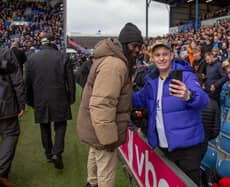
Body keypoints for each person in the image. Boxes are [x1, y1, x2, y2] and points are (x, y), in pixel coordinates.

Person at [132, 40, 209, 185]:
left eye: (165, 54)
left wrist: (188, 95)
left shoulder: (186, 76)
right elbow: (137, 99)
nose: (161, 58)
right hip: (164, 146)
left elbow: (203, 100)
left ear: (172, 55)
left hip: (188, 149)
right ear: (152, 58)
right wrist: (121, 90)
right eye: (157, 55)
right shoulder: (152, 81)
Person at [76, 22, 143, 187]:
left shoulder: (113, 60)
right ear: (125, 43)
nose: (137, 50)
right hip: (101, 130)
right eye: (135, 45)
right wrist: (108, 139)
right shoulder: (115, 65)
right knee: (106, 172)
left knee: (94, 157)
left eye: (140, 46)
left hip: (95, 127)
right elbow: (102, 104)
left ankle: (91, 183)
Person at [25, 33, 75, 169]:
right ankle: (56, 153)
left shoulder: (32, 58)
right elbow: (71, 81)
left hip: (40, 97)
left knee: (44, 125)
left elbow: (27, 83)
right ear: (54, 42)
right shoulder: (62, 56)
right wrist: (71, 97)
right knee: (60, 124)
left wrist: (29, 100)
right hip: (59, 96)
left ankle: (49, 153)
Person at [0, 48, 25, 186]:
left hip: (5, 105)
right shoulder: (5, 53)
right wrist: (21, 103)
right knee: (10, 135)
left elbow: (16, 78)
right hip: (5, 105)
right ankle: (2, 173)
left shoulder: (5, 54)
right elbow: (17, 79)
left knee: (10, 135)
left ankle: (3, 173)